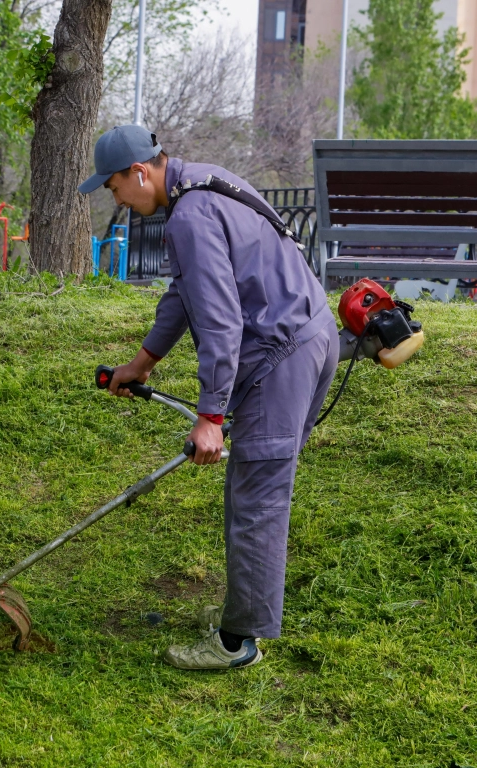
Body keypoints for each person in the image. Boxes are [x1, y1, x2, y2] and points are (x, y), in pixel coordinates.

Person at [79, 125, 340, 670]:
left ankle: (237, 643)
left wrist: (211, 417)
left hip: (281, 355)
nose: (117, 200)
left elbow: (221, 325)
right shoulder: (204, 183)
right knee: (261, 486)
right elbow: (185, 294)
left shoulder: (191, 218)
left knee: (257, 499)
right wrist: (140, 364)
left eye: (113, 188)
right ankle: (245, 625)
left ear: (140, 173)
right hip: (311, 336)